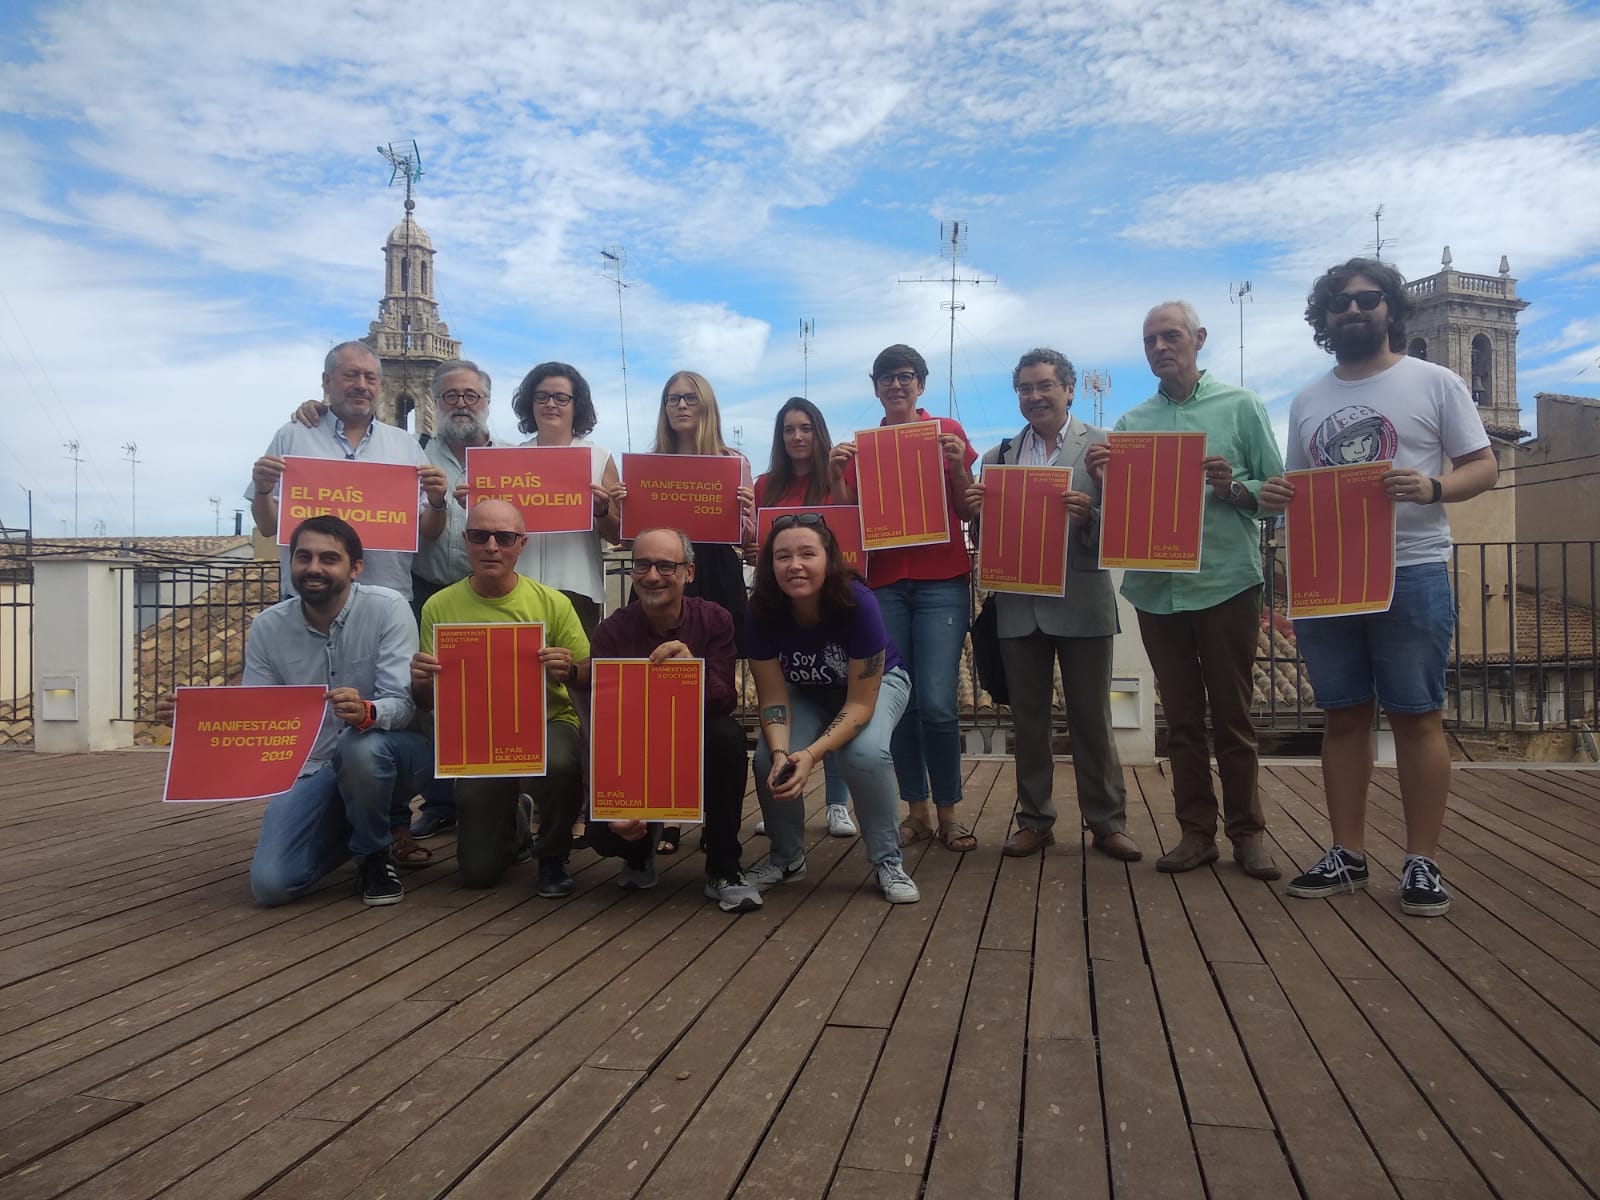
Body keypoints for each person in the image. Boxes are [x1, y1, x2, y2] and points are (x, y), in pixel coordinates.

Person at [1260, 257, 1496, 917]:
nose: (1354, 310)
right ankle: (1348, 854)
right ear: (1325, 318)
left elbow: (1483, 466)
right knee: (1342, 715)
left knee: (1417, 715)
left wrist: (1433, 487)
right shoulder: (1308, 400)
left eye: (1367, 299)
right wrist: (1276, 495)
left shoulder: (1436, 381)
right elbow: (1300, 490)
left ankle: (1422, 862)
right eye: (1340, 302)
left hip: (1412, 568)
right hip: (1329, 578)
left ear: (1390, 307)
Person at [1085, 302, 1285, 879]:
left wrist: (1233, 487)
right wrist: (1104, 480)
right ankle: (1196, 835)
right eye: (1149, 340)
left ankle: (1248, 835)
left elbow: (1275, 494)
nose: (1159, 348)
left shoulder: (1241, 406)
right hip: (1155, 590)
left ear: (1199, 338)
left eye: (1170, 336)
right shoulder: (1130, 424)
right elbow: (1115, 514)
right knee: (1181, 720)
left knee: (1233, 717)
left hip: (1225, 583)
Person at [157, 516, 429, 907]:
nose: (314, 568)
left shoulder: (389, 609)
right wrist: (193, 721)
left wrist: (367, 711)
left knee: (360, 748)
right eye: (304, 557)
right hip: (312, 769)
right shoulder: (268, 626)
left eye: (328, 558)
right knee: (272, 884)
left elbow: (403, 707)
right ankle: (360, 832)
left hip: (392, 755)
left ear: (356, 568)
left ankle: (373, 856)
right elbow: (256, 715)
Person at [288, 358, 500, 848]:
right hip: (428, 591)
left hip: (493, 591)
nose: (462, 404)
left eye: (471, 395)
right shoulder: (415, 452)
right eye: (451, 396)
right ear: (434, 402)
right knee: (424, 700)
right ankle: (424, 811)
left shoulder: (512, 457)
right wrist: (320, 412)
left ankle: (496, 799)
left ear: (486, 402)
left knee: (487, 700)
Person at [966, 349, 1141, 862]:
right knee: (1029, 722)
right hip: (1020, 606)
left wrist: (1092, 516)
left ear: (1069, 389)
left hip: (1083, 601)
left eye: (1044, 386)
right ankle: (1036, 820)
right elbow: (987, 540)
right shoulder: (996, 457)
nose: (1034, 396)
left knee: (1092, 720)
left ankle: (1107, 823)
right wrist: (976, 515)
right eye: (1024, 388)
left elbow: (1127, 533)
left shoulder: (1104, 448)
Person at [831, 345, 979, 853]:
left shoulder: (948, 432)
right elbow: (847, 521)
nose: (897, 385)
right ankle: (915, 810)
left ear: (921, 384)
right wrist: (836, 474)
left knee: (938, 702)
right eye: (887, 378)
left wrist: (959, 468)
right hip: (886, 584)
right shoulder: (861, 446)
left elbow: (967, 508)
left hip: (943, 581)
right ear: (874, 386)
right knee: (901, 702)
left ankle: (950, 813)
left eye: (906, 376)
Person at [409, 499, 589, 898]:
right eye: (480, 535)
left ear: (521, 544)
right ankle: (518, 825)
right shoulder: (439, 606)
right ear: (465, 540)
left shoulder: (553, 603)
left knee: (560, 760)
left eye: (504, 537)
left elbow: (588, 673)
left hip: (546, 719)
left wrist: (569, 668)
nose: (491, 546)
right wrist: (420, 680)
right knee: (477, 873)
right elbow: (427, 701)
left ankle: (553, 855)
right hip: (480, 733)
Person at [610, 370, 755, 857]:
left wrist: (748, 518)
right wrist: (618, 510)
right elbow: (626, 540)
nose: (681, 406)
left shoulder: (735, 462)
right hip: (664, 574)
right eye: (672, 398)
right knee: (657, 692)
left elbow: (749, 538)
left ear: (706, 405)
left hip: (713, 570)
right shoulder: (645, 464)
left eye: (690, 398)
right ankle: (668, 814)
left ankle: (714, 821)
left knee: (709, 694)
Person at [584, 527, 763, 913]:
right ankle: (636, 854)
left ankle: (724, 865)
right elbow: (605, 727)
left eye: (666, 565)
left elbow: (726, 698)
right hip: (636, 747)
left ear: (689, 573)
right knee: (602, 830)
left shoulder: (715, 619)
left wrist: (690, 674)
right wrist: (612, 803)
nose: (652, 576)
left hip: (692, 737)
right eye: (643, 565)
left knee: (727, 738)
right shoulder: (612, 631)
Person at [744, 513, 920, 905]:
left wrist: (810, 754)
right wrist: (781, 753)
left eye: (808, 554)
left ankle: (888, 860)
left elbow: (859, 704)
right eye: (783, 556)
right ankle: (786, 858)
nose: (795, 566)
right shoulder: (760, 611)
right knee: (766, 760)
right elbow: (773, 698)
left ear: (829, 559)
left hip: (875, 686)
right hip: (804, 691)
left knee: (864, 754)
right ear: (770, 565)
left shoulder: (859, 602)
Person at [249, 341, 448, 601]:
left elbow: (429, 531)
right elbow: (266, 526)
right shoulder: (293, 435)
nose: (361, 385)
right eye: (350, 375)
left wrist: (437, 501)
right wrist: (263, 489)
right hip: (309, 598)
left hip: (386, 598)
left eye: (371, 378)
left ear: (379, 386)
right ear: (327, 381)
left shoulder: (406, 446)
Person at [751, 396, 856, 839]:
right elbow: (758, 548)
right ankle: (784, 805)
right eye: (789, 429)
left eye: (806, 428)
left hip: (835, 604)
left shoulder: (836, 476)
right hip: (786, 609)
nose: (797, 436)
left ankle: (836, 805)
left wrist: (837, 478)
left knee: (840, 698)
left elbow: (854, 525)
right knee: (797, 701)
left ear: (818, 433)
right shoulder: (763, 485)